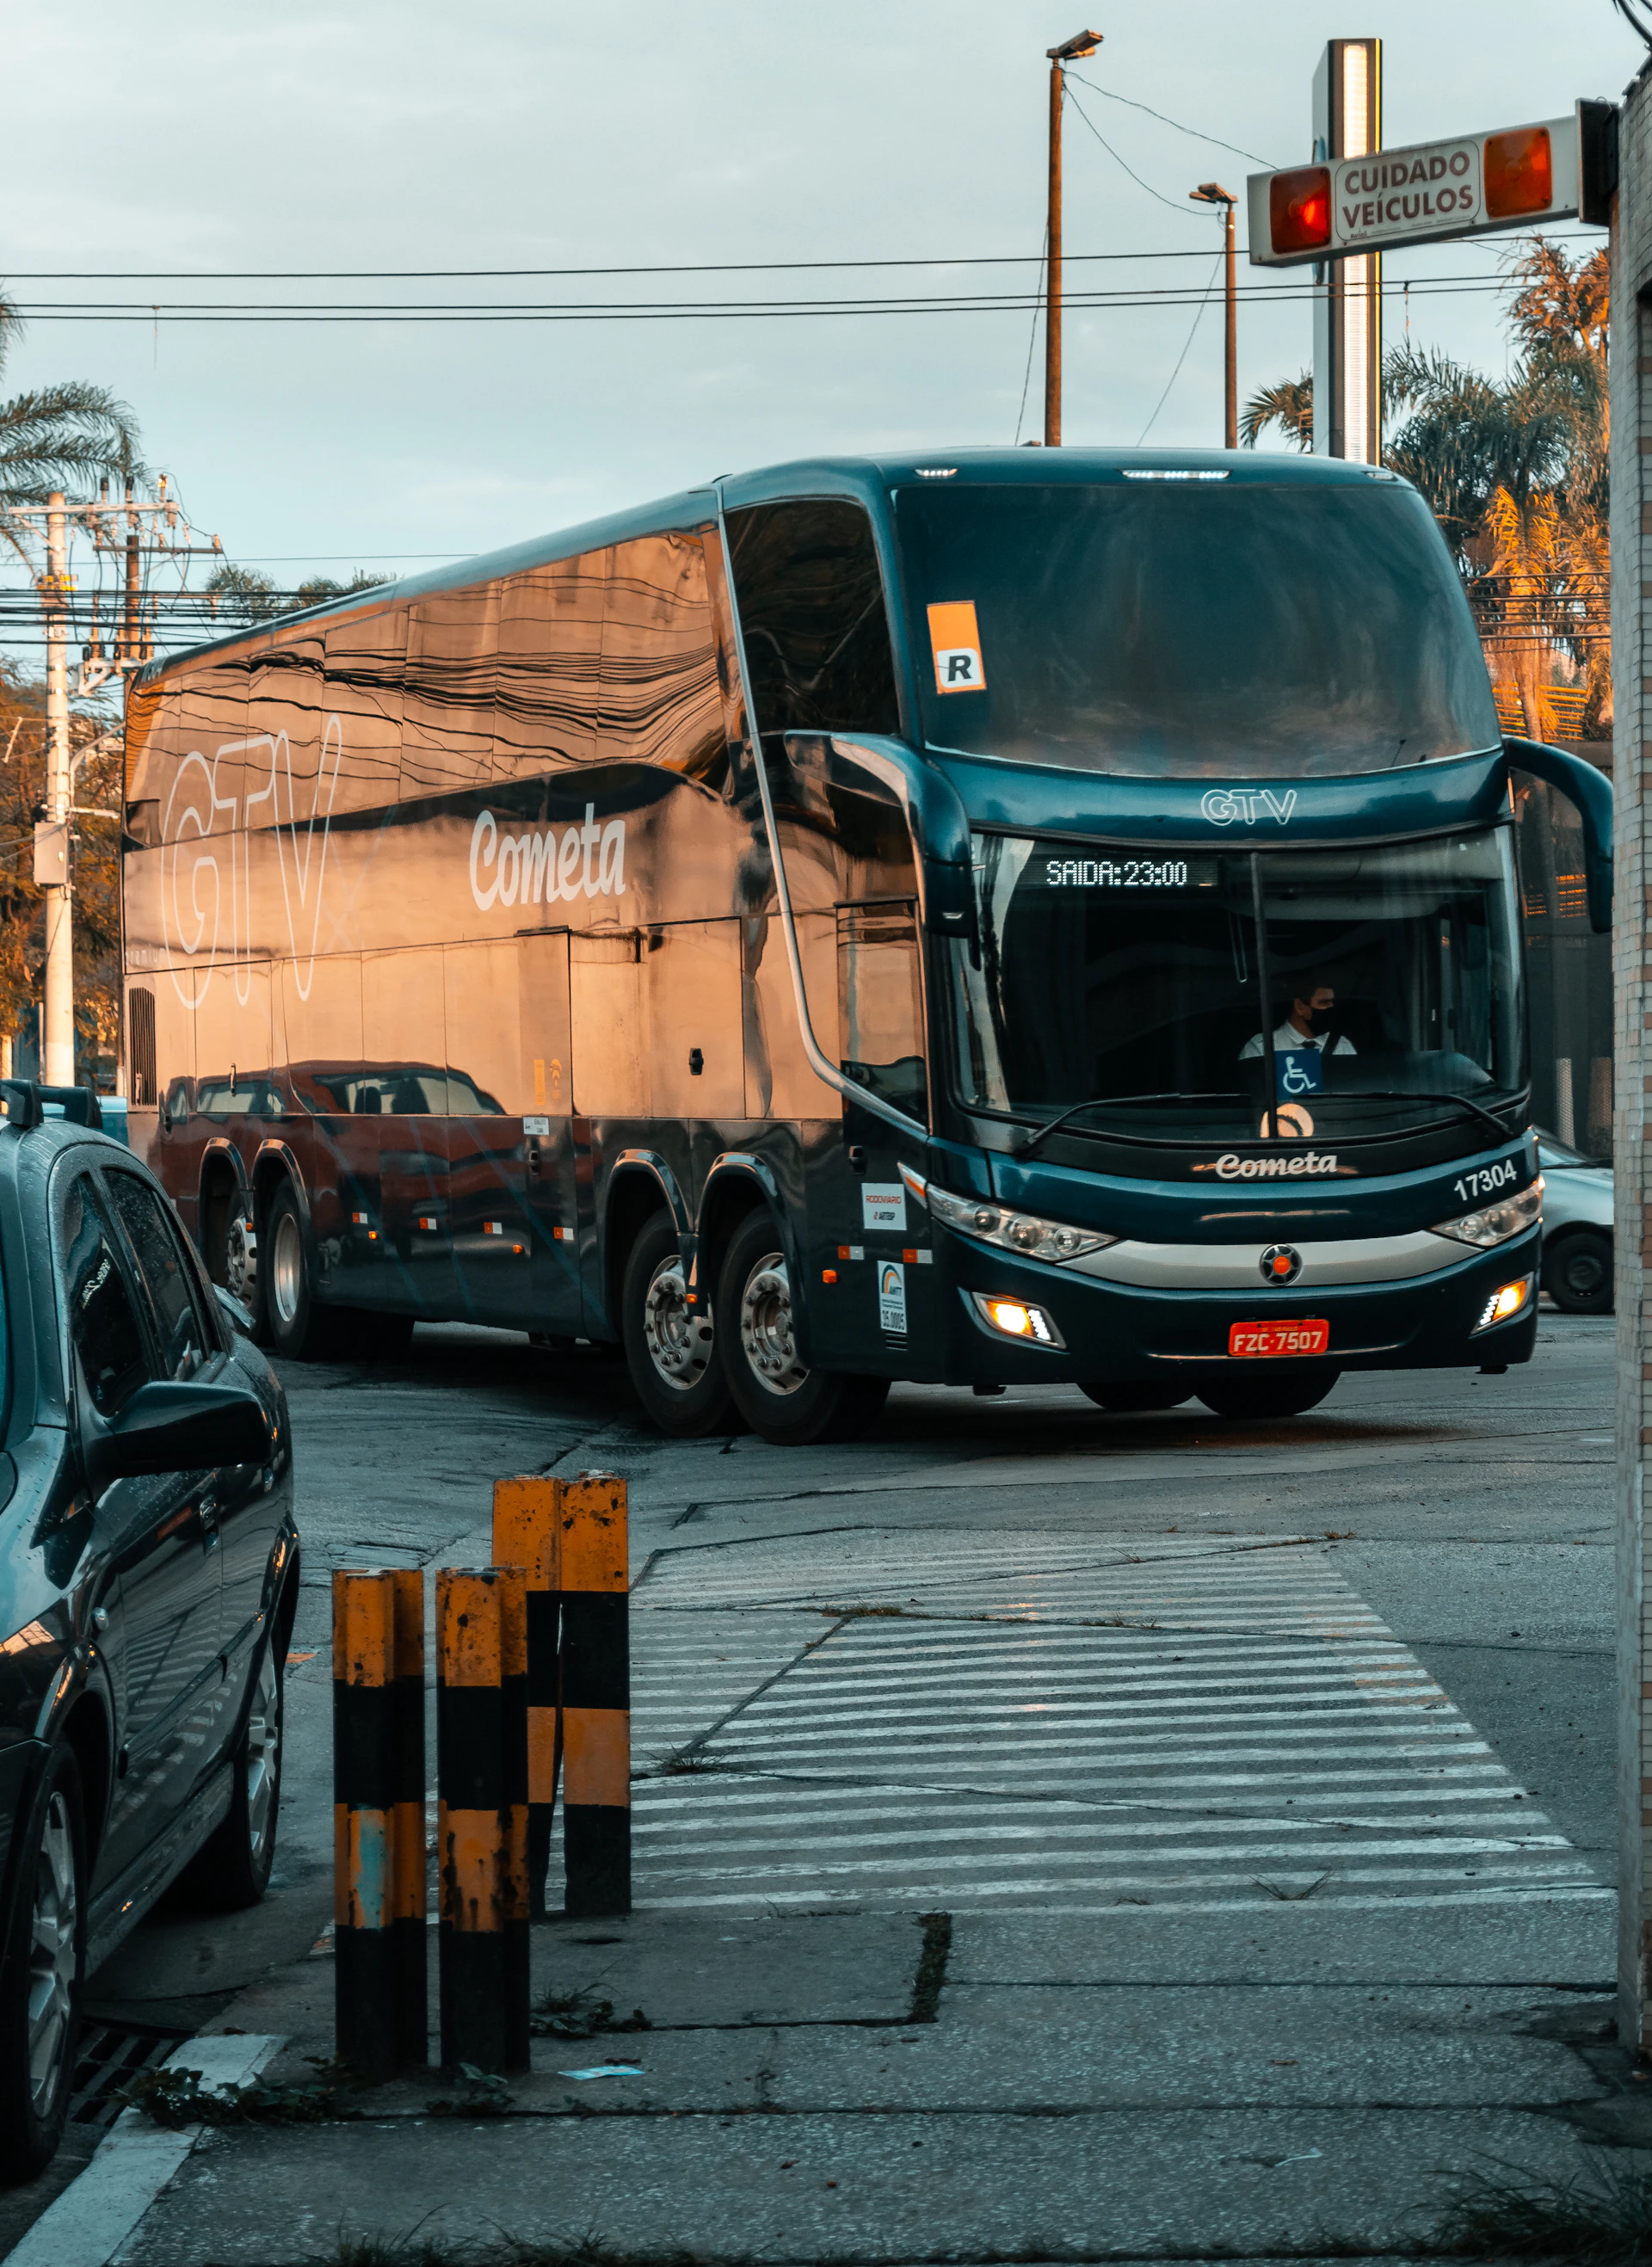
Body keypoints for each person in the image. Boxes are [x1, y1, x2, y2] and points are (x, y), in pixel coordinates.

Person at [1240, 976, 1356, 1060]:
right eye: (1324, 1002)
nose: (1331, 1008)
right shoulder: (1262, 1049)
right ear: (1300, 1006)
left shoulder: (1342, 1046)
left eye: (1332, 1002)